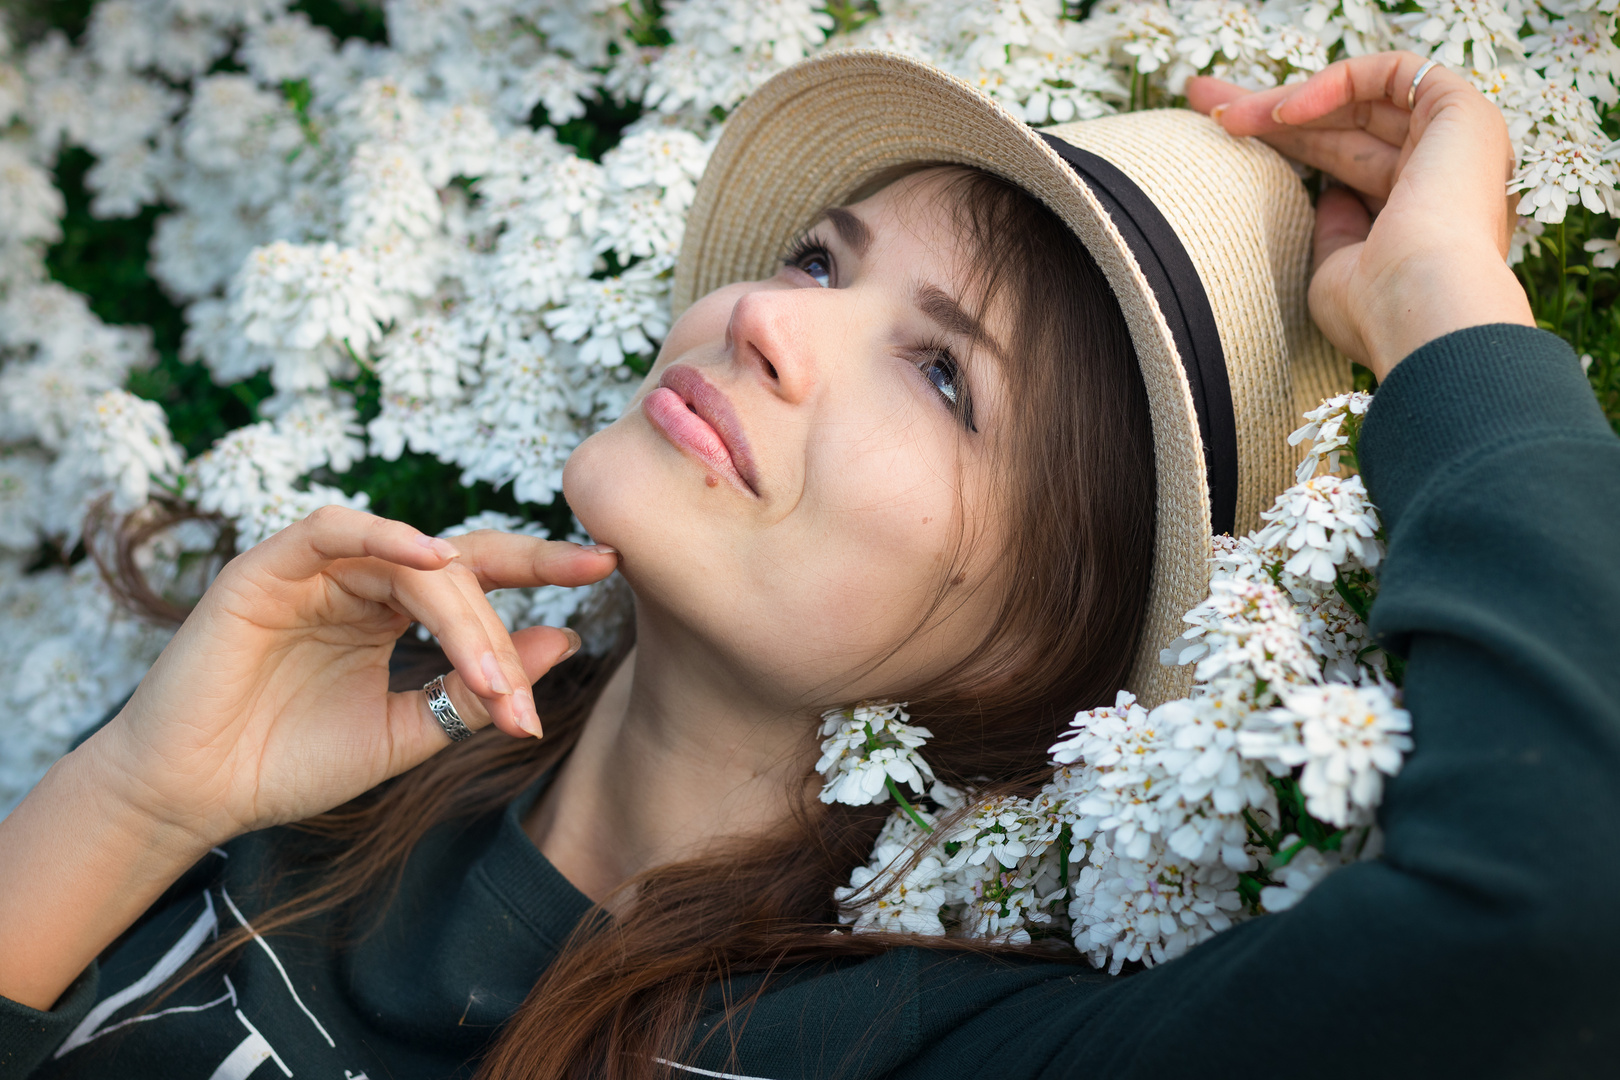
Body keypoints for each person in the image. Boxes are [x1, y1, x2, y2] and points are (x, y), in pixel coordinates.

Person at [2, 47, 1617, 1080]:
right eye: (817, 259)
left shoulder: (949, 1056)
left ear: (1050, 643)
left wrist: (1445, 316)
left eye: (940, 377)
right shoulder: (306, 741)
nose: (766, 320)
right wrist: (144, 792)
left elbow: (1557, 893)